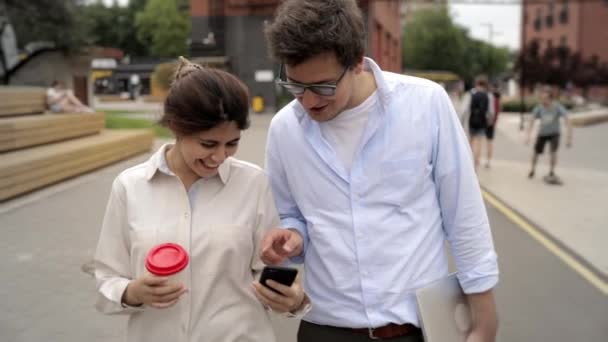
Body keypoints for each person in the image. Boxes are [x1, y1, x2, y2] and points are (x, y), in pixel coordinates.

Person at [260, 1, 499, 341]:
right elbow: (291, 216)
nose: (309, 101)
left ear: (357, 62)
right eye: (296, 86)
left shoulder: (426, 104)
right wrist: (291, 238)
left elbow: (463, 212)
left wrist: (484, 315)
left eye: (324, 87)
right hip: (325, 327)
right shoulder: (284, 130)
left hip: (414, 328)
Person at [93, 57, 309, 342]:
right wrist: (131, 293)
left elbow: (270, 270)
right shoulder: (129, 187)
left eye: (232, 143)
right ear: (176, 127)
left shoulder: (253, 184)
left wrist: (291, 299)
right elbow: (107, 277)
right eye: (208, 144)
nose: (219, 157)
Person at [525, 86, 572, 184]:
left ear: (550, 99)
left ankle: (551, 171)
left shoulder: (557, 107)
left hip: (554, 133)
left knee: (553, 152)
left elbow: (567, 119)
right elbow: (532, 120)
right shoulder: (539, 108)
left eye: (545, 99)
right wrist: (528, 135)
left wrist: (569, 137)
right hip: (542, 133)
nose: (543, 100)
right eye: (542, 98)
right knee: (536, 152)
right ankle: (532, 170)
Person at [461, 76, 495, 170]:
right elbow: (491, 111)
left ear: (476, 83)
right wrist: (490, 122)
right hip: (482, 122)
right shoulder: (489, 95)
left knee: (470, 142)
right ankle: (476, 163)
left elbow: (464, 110)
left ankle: (469, 162)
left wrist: (461, 121)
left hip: (470, 121)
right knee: (478, 142)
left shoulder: (470, 94)